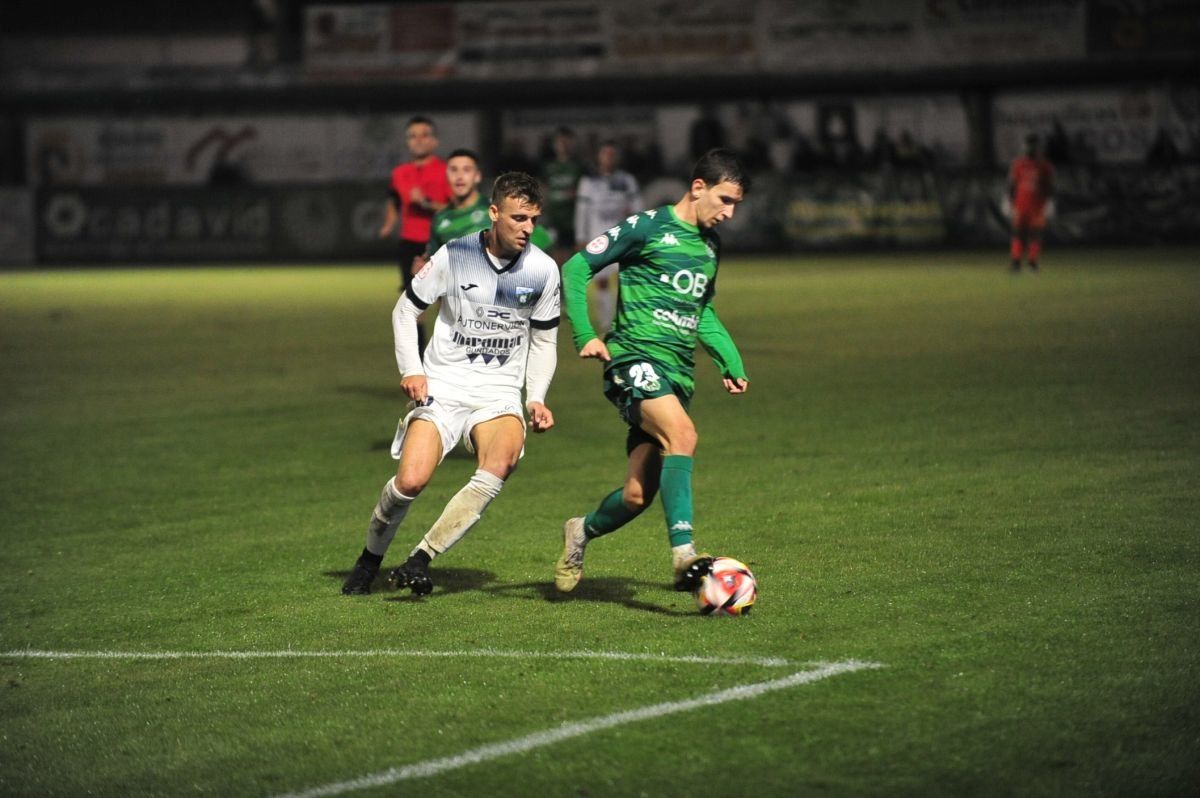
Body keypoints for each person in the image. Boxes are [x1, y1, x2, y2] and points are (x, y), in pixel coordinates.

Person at [342, 172, 561, 596]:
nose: (528, 228)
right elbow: (405, 311)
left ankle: (420, 558)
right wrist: (412, 369)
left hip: (498, 393)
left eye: (534, 219)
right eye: (518, 218)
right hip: (443, 386)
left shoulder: (543, 270)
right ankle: (369, 560)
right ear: (494, 213)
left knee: (501, 463)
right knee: (411, 482)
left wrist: (536, 397)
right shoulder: (455, 255)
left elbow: (545, 339)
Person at [554, 148, 749, 595]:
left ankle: (580, 531)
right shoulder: (648, 227)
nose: (729, 213)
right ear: (698, 187)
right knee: (683, 436)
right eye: (724, 199)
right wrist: (585, 333)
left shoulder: (709, 247)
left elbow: (701, 311)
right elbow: (576, 268)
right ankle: (684, 554)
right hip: (633, 360)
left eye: (735, 204)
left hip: (678, 376)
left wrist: (729, 359)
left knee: (637, 496)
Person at [380, 116, 452, 355]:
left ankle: (449, 360)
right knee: (412, 309)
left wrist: (427, 203)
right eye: (412, 136)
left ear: (435, 140)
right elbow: (393, 200)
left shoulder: (447, 170)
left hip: (440, 243)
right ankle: (419, 368)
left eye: (424, 135)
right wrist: (389, 223)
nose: (418, 140)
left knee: (448, 305)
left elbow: (455, 208)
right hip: (410, 243)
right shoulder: (400, 173)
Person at [574, 140, 643, 334]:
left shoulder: (627, 180)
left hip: (622, 238)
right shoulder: (588, 181)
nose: (609, 158)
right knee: (601, 282)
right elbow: (582, 211)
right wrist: (581, 236)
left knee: (626, 281)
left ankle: (626, 324)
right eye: (606, 154)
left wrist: (639, 233)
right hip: (598, 239)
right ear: (599, 157)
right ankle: (607, 325)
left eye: (612, 154)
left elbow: (638, 207)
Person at [1008, 133, 1055, 273]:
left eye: (1033, 145)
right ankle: (1016, 263)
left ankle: (1032, 263)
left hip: (1037, 206)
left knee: (1035, 235)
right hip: (1020, 205)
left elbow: (1049, 186)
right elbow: (1012, 185)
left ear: (1038, 147)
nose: (1030, 148)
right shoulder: (1018, 164)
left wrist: (1049, 203)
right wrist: (1010, 202)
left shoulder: (1044, 166)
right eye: (1028, 144)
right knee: (1017, 234)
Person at [539, 126, 586, 264]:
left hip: (574, 221)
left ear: (573, 144)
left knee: (573, 261)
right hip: (554, 220)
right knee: (556, 259)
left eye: (567, 142)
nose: (564, 146)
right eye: (560, 142)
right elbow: (543, 190)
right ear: (555, 145)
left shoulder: (580, 166)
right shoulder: (548, 167)